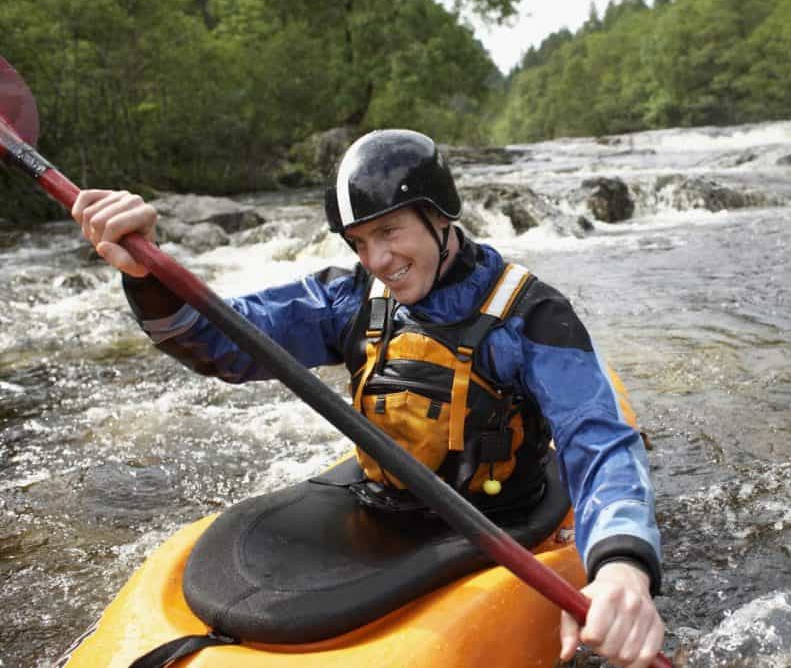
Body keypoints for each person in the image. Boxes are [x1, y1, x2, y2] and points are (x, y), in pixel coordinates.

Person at [71, 129, 665, 668]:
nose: (378, 260)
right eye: (359, 241)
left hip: (497, 514)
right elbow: (217, 340)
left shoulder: (531, 316)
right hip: (385, 503)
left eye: (389, 231)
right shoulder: (351, 297)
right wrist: (146, 274)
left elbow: (598, 443)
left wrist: (621, 567)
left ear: (438, 216)